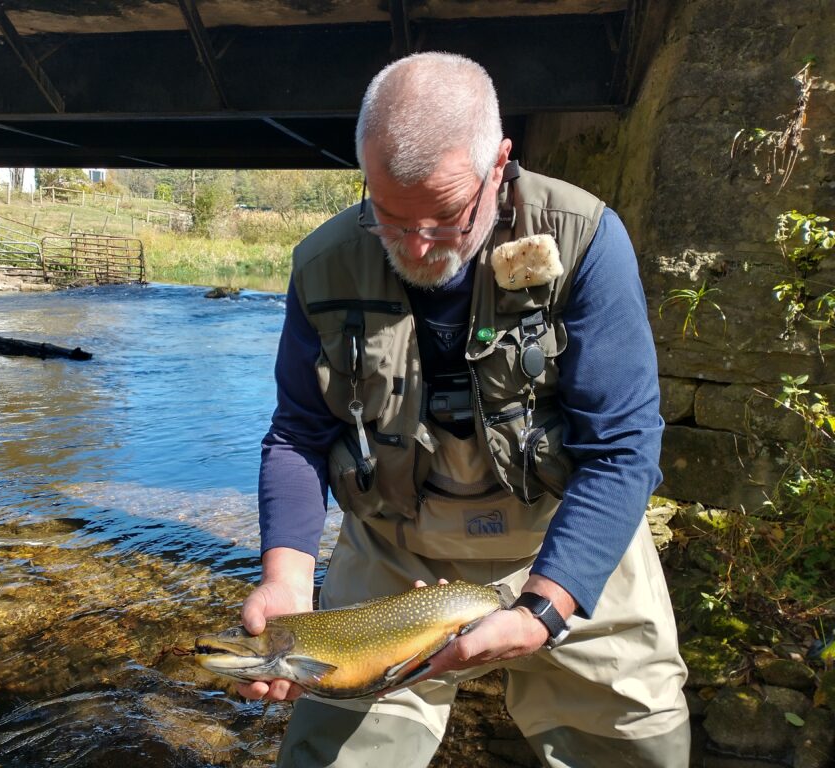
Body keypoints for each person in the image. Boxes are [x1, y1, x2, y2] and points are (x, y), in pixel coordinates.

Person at [241, 52, 690, 768]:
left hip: (563, 539)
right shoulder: (323, 264)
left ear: (500, 162)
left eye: (447, 217)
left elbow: (621, 450)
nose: (417, 247)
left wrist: (543, 609)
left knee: (636, 751)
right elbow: (297, 435)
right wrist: (287, 579)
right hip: (395, 551)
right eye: (389, 217)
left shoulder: (584, 242)